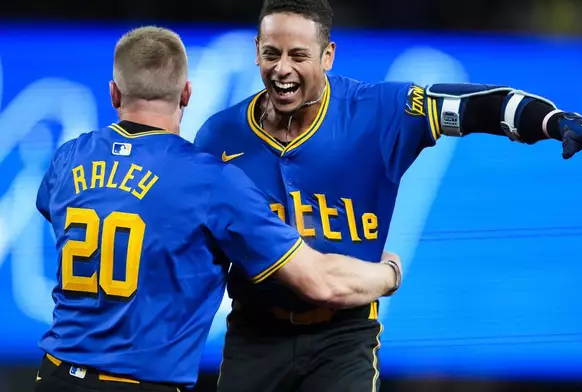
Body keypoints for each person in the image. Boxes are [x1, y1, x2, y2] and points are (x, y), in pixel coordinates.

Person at [193, 0, 582, 391]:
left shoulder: (380, 111)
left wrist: (557, 121)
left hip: (343, 335)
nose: (282, 68)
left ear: (328, 56)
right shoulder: (220, 134)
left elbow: (480, 107)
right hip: (253, 334)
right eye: (271, 53)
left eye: (299, 55)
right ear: (255, 52)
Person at [33, 25, 403, 392]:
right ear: (187, 93)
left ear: (114, 93)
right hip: (140, 383)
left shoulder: (68, 159)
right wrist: (388, 273)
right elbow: (320, 282)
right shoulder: (211, 181)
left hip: (53, 376)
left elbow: (67, 208)